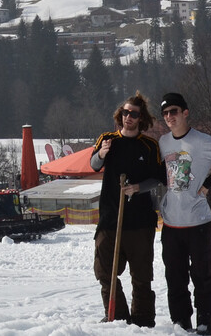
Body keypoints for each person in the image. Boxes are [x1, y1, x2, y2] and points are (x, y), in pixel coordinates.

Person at [157, 92, 211, 336]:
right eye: (165, 113)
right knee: (175, 277)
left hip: (198, 222)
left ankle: (205, 322)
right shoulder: (163, 142)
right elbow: (164, 173)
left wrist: (208, 184)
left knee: (202, 276)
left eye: (174, 111)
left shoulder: (203, 141)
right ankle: (181, 323)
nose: (169, 117)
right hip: (171, 224)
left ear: (185, 112)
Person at [89, 92, 164, 327]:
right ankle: (117, 316)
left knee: (141, 276)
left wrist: (138, 188)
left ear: (141, 119)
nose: (128, 117)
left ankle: (142, 321)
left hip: (140, 222)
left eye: (133, 114)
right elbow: (94, 165)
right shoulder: (108, 139)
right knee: (105, 271)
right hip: (110, 218)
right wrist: (101, 153)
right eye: (125, 112)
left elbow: (158, 178)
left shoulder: (149, 146)